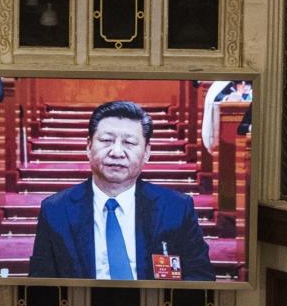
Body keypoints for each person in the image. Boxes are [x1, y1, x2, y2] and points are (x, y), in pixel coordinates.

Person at [28, 100, 214, 280]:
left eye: (129, 143)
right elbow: (41, 283)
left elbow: (201, 278)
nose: (117, 152)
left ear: (147, 152)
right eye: (106, 140)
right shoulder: (56, 210)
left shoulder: (176, 208)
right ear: (88, 146)